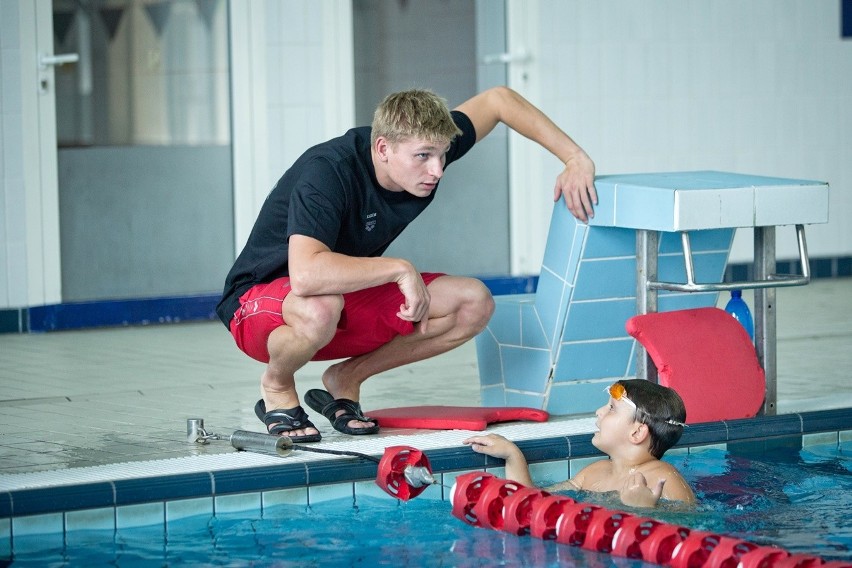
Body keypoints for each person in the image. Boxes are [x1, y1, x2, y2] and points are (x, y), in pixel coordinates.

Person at [215, 86, 596, 443]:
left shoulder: (422, 143)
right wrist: (400, 269)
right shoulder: (328, 172)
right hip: (260, 308)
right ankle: (278, 387)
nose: (438, 170)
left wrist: (575, 158)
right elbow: (307, 275)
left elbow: (499, 102)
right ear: (383, 148)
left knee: (472, 302)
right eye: (424, 157)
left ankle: (346, 378)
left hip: (335, 303)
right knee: (320, 303)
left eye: (443, 154)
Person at [463, 380, 696, 508]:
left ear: (637, 432)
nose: (599, 411)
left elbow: (693, 532)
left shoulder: (664, 478)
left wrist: (645, 509)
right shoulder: (594, 472)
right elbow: (532, 501)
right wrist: (513, 455)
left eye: (611, 409)